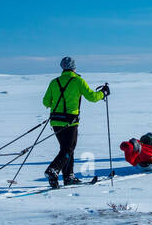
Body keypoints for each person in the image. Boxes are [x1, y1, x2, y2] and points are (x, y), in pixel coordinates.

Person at [41, 57, 108, 188]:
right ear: (74, 68)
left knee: (65, 148)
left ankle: (68, 177)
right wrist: (103, 92)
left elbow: (46, 102)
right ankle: (53, 170)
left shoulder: (54, 82)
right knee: (68, 148)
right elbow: (92, 98)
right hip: (70, 121)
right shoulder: (78, 81)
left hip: (55, 121)